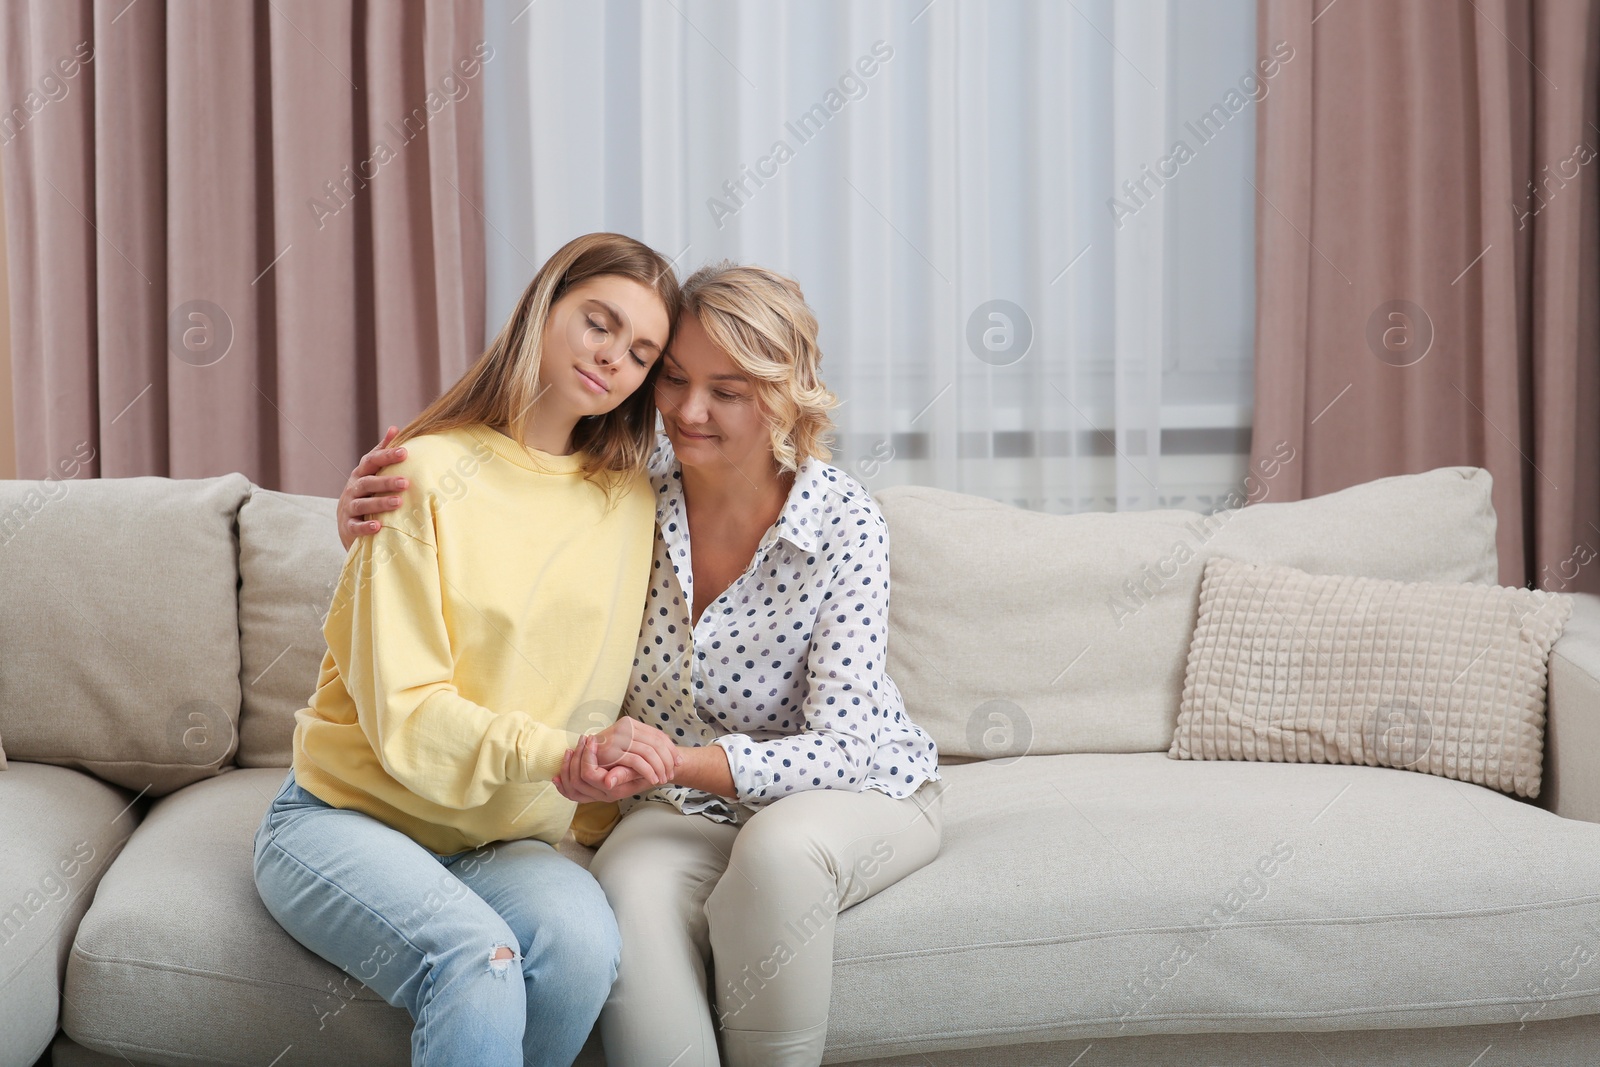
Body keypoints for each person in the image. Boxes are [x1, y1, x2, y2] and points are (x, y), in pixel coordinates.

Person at [340, 261, 944, 1067]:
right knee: (619, 890)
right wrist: (360, 526)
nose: (689, 412)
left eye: (726, 391)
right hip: (678, 808)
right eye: (675, 380)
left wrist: (675, 761)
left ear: (784, 392)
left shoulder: (843, 523)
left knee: (780, 853)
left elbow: (845, 746)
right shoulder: (627, 493)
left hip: (852, 788)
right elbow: (490, 552)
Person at [253, 231, 685, 1067]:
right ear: (543, 307)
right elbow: (410, 716)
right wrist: (564, 754)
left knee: (585, 947)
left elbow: (749, 446)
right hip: (346, 817)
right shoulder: (417, 473)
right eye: (598, 322)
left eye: (640, 353)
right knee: (479, 962)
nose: (612, 360)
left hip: (498, 842)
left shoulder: (631, 496)